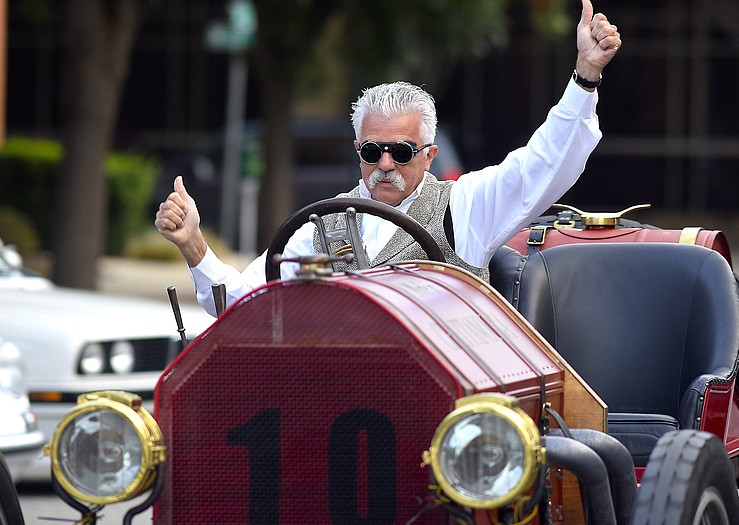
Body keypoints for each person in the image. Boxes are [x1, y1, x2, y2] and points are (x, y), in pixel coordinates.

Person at [155, 0, 621, 317]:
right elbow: (243, 306)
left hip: (442, 411)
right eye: (372, 151)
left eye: (400, 151)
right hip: (337, 401)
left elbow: (544, 164)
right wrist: (193, 244)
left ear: (429, 155)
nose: (385, 164)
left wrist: (584, 78)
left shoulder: (465, 207)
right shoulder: (320, 227)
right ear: (358, 151)